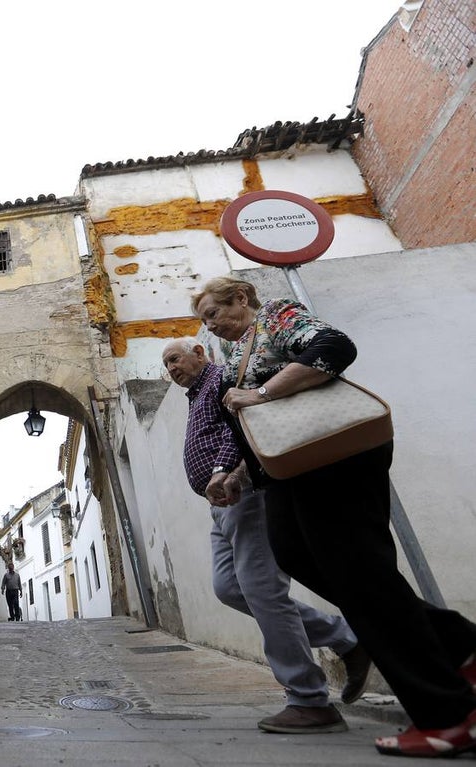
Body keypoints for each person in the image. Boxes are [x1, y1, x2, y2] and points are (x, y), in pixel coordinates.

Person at [192, 276, 476, 757]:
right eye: (204, 320)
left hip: (332, 461)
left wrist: (260, 396)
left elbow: (334, 347)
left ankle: (445, 716)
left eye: (212, 314)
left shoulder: (275, 316)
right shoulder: (240, 356)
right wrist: (239, 472)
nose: (210, 327)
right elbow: (264, 426)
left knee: (362, 579)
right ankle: (461, 644)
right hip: (290, 472)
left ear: (240, 298)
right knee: (301, 556)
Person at [162, 337, 371, 734]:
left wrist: (229, 473)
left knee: (263, 591)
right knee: (229, 588)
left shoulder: (221, 378)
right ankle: (346, 638)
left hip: (245, 494)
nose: (171, 368)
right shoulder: (196, 393)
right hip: (221, 508)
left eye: (175, 358)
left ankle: (309, 700)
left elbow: (237, 430)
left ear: (199, 352)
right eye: (166, 365)